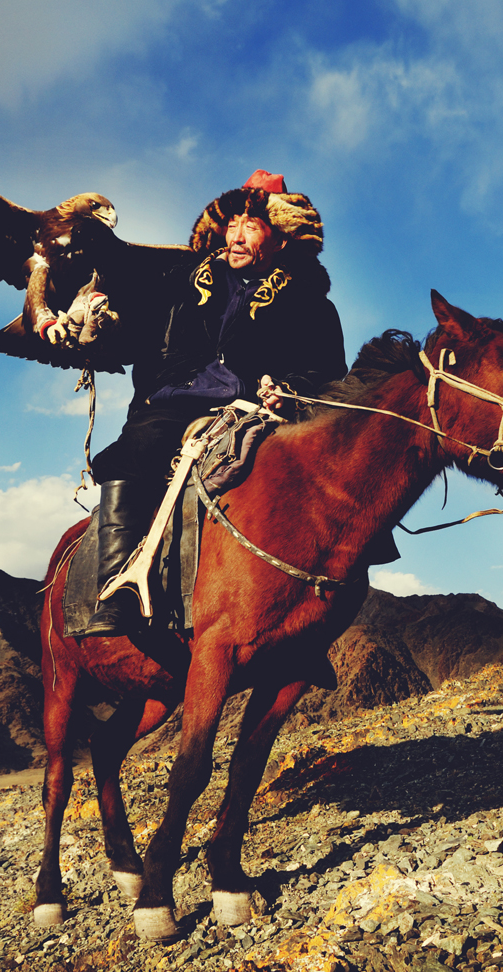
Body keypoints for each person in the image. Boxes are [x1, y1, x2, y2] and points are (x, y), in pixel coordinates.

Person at [84, 170, 347, 637]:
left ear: (281, 237)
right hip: (179, 399)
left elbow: (328, 373)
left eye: (252, 225)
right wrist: (98, 309)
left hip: (262, 409)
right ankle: (117, 588)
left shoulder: (310, 302)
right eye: (231, 225)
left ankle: (318, 608)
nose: (237, 236)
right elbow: (130, 312)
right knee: (139, 445)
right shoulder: (182, 280)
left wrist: (289, 389)